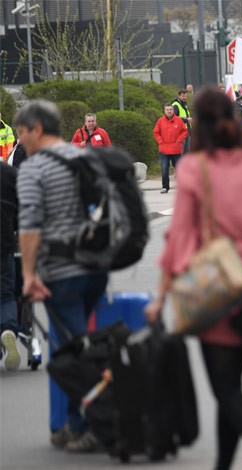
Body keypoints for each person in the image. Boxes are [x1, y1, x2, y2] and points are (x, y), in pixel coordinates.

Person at [143, 88, 242, 470]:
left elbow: (181, 239)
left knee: (226, 390)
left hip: (217, 294)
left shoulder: (194, 171)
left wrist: (162, 297)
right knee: (229, 387)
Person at [15, 100, 109, 451]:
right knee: (79, 344)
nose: (20, 140)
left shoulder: (34, 168)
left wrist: (27, 273)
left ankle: (94, 423)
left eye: (22, 133)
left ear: (37, 129)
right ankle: (74, 422)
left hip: (62, 271)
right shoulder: (83, 156)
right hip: (95, 266)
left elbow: (30, 224)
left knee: (74, 350)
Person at [1, 159, 20, 369]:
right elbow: (21, 208)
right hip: (4, 242)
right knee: (6, 293)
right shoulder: (9, 173)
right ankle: (7, 329)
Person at [153, 104, 188, 194]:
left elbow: (184, 131)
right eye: (167, 109)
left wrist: (179, 140)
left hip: (176, 149)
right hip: (164, 150)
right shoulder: (160, 121)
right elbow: (156, 132)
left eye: (170, 109)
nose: (169, 111)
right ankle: (165, 187)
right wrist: (160, 141)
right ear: (164, 111)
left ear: (173, 110)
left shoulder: (179, 120)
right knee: (164, 169)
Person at [172, 89, 193, 154]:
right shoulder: (176, 105)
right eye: (183, 96)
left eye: (186, 96)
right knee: (181, 152)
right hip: (179, 131)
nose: (184, 98)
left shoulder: (184, 104)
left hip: (186, 130)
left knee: (187, 151)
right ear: (179, 96)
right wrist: (186, 120)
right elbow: (174, 118)